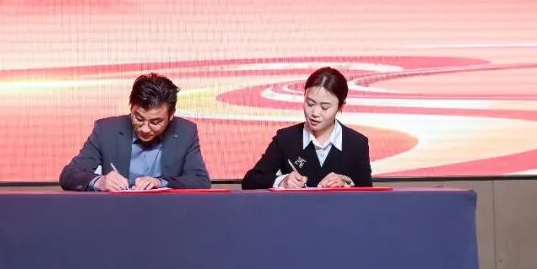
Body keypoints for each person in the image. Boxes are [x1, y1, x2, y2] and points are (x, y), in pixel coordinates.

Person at [59, 73, 211, 191]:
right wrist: (100, 181)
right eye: (138, 118)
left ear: (171, 115)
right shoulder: (106, 130)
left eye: (155, 122)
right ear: (131, 107)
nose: (145, 128)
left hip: (167, 212)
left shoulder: (186, 131)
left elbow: (200, 180)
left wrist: (160, 182)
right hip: (116, 212)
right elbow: (69, 175)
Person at [241, 67, 373, 189]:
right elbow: (250, 181)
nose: (315, 113)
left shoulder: (357, 143)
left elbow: (368, 194)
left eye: (325, 107)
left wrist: (346, 183)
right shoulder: (286, 139)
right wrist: (282, 181)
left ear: (340, 107)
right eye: (310, 103)